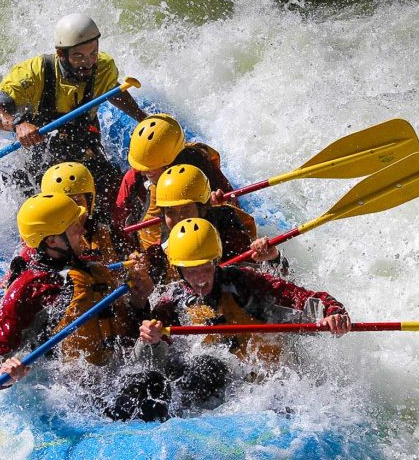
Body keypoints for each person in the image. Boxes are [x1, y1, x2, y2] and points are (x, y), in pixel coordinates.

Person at [105, 218, 350, 422]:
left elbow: (302, 296)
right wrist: (151, 341)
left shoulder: (244, 282)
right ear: (178, 269)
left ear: (216, 260)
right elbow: (143, 362)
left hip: (267, 385)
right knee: (193, 370)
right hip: (218, 391)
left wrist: (332, 312)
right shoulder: (172, 302)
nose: (200, 278)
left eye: (205, 267)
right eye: (191, 270)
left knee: (207, 366)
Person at [0, 13, 148, 219]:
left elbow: (113, 90)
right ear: (60, 53)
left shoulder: (103, 67)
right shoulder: (33, 72)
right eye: (79, 57)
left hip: (86, 151)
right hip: (42, 159)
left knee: (117, 197)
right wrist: (18, 124)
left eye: (93, 53)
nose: (88, 63)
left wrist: (142, 117)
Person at [0, 192, 153, 386]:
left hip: (115, 373)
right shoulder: (27, 289)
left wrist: (140, 300)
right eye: (74, 227)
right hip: (67, 388)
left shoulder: (92, 267)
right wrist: (4, 372)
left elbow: (126, 326)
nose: (83, 231)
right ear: (52, 241)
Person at [0, 162, 127, 313]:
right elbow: (8, 294)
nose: (72, 211)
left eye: (77, 201)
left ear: (90, 201)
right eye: (64, 204)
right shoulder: (40, 246)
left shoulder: (108, 230)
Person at [113, 113, 235, 249]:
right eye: (141, 167)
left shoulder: (200, 165)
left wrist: (215, 205)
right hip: (160, 237)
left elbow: (233, 204)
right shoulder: (135, 176)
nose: (143, 172)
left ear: (170, 163)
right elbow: (117, 221)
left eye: (150, 168)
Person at [149, 163, 285, 279]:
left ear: (202, 208)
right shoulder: (162, 247)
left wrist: (273, 258)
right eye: (170, 212)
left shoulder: (227, 231)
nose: (179, 219)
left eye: (186, 209)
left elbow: (275, 279)